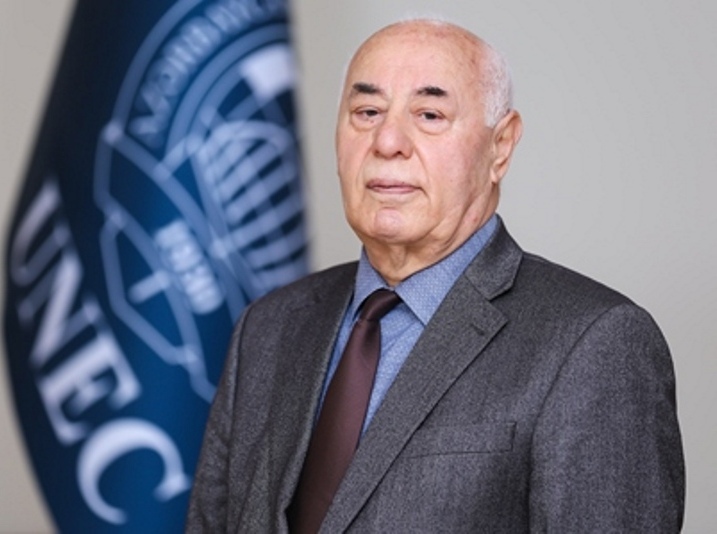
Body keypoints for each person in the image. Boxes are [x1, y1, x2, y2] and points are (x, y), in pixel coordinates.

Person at [185, 19, 685, 533]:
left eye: (429, 115)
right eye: (367, 112)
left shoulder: (594, 343)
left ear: (500, 146)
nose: (387, 141)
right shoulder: (268, 328)